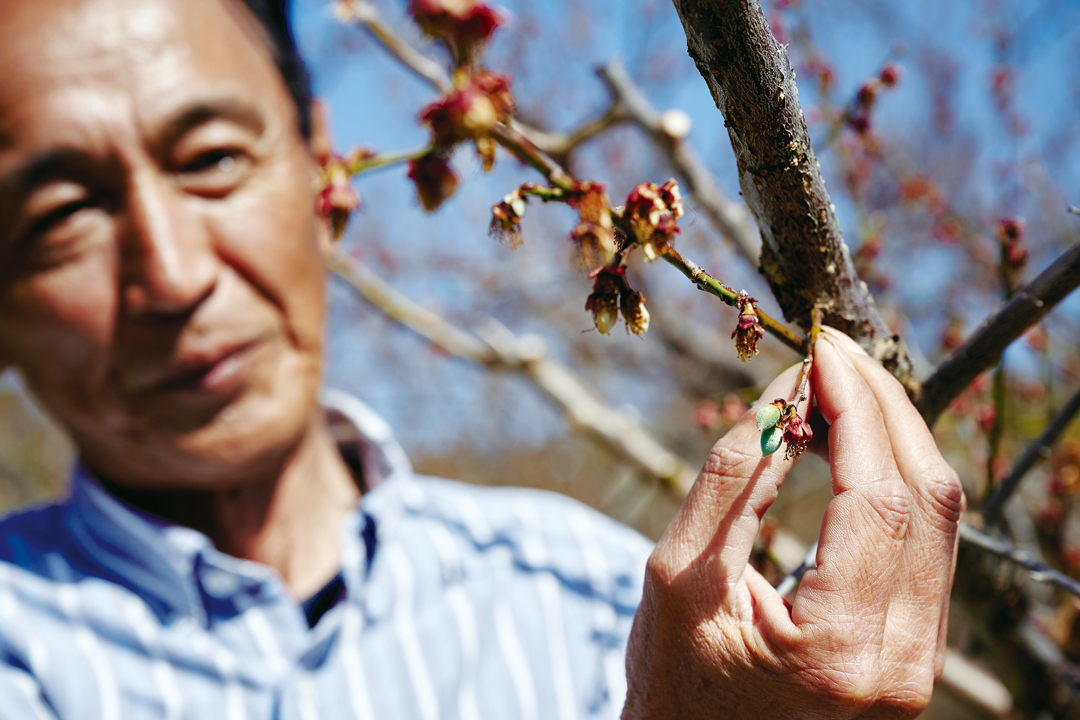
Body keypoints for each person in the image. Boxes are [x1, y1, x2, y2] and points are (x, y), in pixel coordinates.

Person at [0, 0, 964, 717]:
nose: (172, 277)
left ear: (318, 166)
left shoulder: (594, 596)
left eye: (212, 158)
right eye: (57, 214)